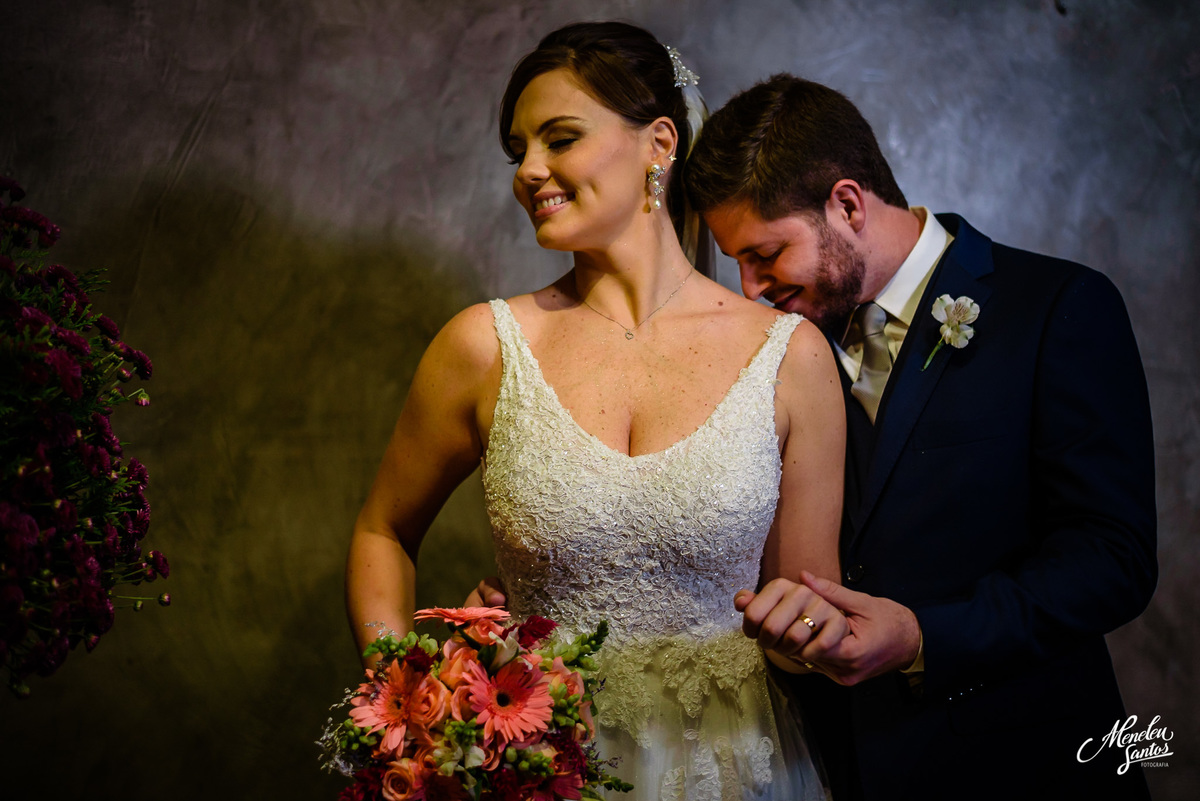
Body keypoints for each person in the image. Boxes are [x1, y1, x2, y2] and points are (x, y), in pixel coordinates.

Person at [346, 26, 846, 800]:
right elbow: (382, 530)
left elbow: (810, 612)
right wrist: (409, 698)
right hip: (537, 762)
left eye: (560, 138)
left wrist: (813, 629)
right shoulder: (483, 346)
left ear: (659, 144)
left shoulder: (790, 355)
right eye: (520, 151)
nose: (531, 172)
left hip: (730, 765)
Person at [683, 74, 1157, 800]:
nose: (749, 288)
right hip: (838, 770)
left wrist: (925, 637)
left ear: (847, 204)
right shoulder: (776, 354)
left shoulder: (1057, 307)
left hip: (1023, 765)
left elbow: (1113, 557)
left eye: (767, 254)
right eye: (736, 262)